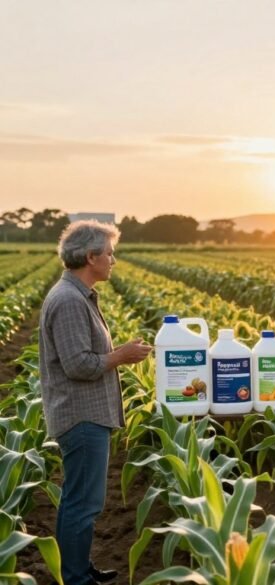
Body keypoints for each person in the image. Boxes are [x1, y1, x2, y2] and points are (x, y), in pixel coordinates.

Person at [40, 221, 152, 585]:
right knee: (81, 503)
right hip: (81, 416)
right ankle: (75, 578)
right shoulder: (69, 300)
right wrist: (121, 355)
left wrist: (120, 354)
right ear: (90, 257)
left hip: (85, 414)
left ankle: (79, 568)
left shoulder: (76, 295)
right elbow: (78, 365)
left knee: (82, 501)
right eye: (109, 253)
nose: (113, 260)